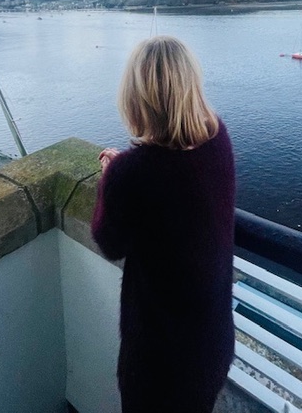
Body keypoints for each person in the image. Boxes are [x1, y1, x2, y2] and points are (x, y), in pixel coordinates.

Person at [92, 35, 236, 413]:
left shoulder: (132, 174)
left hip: (159, 363)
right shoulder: (218, 136)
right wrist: (126, 169)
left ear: (136, 96)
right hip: (211, 343)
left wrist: (110, 176)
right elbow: (177, 181)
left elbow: (108, 241)